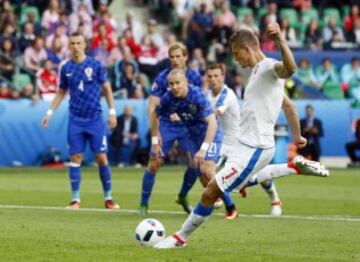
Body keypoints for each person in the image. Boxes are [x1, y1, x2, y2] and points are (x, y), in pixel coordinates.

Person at [154, 24, 310, 248]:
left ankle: (180, 238)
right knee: (241, 183)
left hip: (256, 146)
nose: (236, 60)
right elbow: (289, 106)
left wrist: (281, 40)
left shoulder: (267, 67)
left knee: (211, 191)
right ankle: (292, 167)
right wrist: (298, 137)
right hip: (244, 146)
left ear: (247, 48)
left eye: (236, 54)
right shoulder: (258, 74)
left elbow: (290, 68)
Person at [207, 63, 329, 217]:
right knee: (212, 173)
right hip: (225, 142)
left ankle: (273, 198)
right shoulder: (208, 95)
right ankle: (227, 203)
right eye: (209, 76)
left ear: (223, 77)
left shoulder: (228, 94)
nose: (212, 79)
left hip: (241, 142)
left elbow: (212, 115)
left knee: (228, 178)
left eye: (216, 76)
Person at [138, 42, 236, 217]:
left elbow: (203, 111)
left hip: (190, 127)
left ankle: (189, 196)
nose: (175, 60)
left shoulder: (195, 80)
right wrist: (155, 137)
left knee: (198, 167)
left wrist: (187, 116)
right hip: (168, 125)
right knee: (155, 161)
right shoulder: (162, 79)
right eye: (172, 57)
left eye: (178, 56)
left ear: (185, 57)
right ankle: (143, 204)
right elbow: (153, 107)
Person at [41, 32, 119, 209]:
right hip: (75, 120)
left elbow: (106, 89)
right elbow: (61, 91)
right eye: (72, 43)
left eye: (78, 43)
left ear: (85, 45)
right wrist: (49, 112)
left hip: (95, 119)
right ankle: (75, 199)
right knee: (75, 157)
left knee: (101, 157)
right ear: (69, 46)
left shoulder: (95, 65)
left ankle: (108, 198)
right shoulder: (66, 68)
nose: (75, 46)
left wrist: (112, 112)